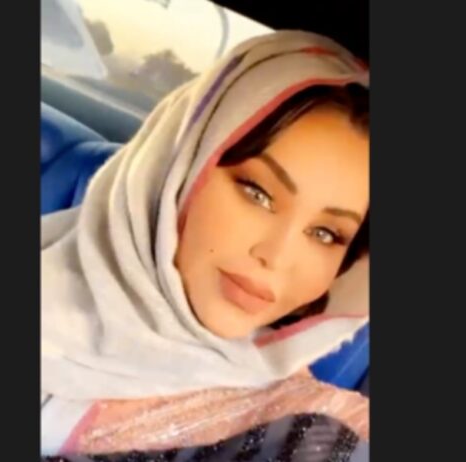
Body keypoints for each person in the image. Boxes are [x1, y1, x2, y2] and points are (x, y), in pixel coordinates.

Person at [41, 30, 369, 456]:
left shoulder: (314, 429)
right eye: (257, 193)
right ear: (176, 170)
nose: (276, 256)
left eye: (326, 234)